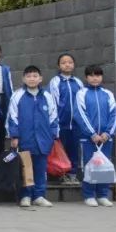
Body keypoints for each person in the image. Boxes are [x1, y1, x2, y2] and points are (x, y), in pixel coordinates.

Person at [7, 65, 59, 208]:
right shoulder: (17, 95)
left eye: (35, 76)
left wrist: (53, 135)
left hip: (43, 140)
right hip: (25, 139)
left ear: (40, 78)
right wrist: (15, 135)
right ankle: (26, 195)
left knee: (41, 169)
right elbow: (12, 117)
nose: (32, 79)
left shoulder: (47, 96)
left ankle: (39, 195)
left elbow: (53, 118)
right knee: (26, 169)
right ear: (24, 78)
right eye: (29, 76)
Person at [73, 64, 116, 207]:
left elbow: (114, 114)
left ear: (102, 77)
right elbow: (80, 114)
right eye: (91, 75)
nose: (94, 78)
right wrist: (91, 133)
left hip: (105, 139)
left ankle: (102, 195)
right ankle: (89, 195)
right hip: (88, 139)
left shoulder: (108, 94)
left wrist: (108, 133)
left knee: (103, 165)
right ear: (86, 78)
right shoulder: (81, 93)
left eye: (97, 75)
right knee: (88, 165)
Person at [48, 53, 84, 184]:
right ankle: (61, 174)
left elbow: (81, 103)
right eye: (63, 62)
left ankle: (73, 174)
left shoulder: (78, 82)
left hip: (75, 124)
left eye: (70, 62)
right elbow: (53, 102)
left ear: (74, 65)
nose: (67, 64)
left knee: (74, 149)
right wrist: (55, 122)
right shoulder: (55, 81)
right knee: (61, 150)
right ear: (59, 65)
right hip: (61, 124)